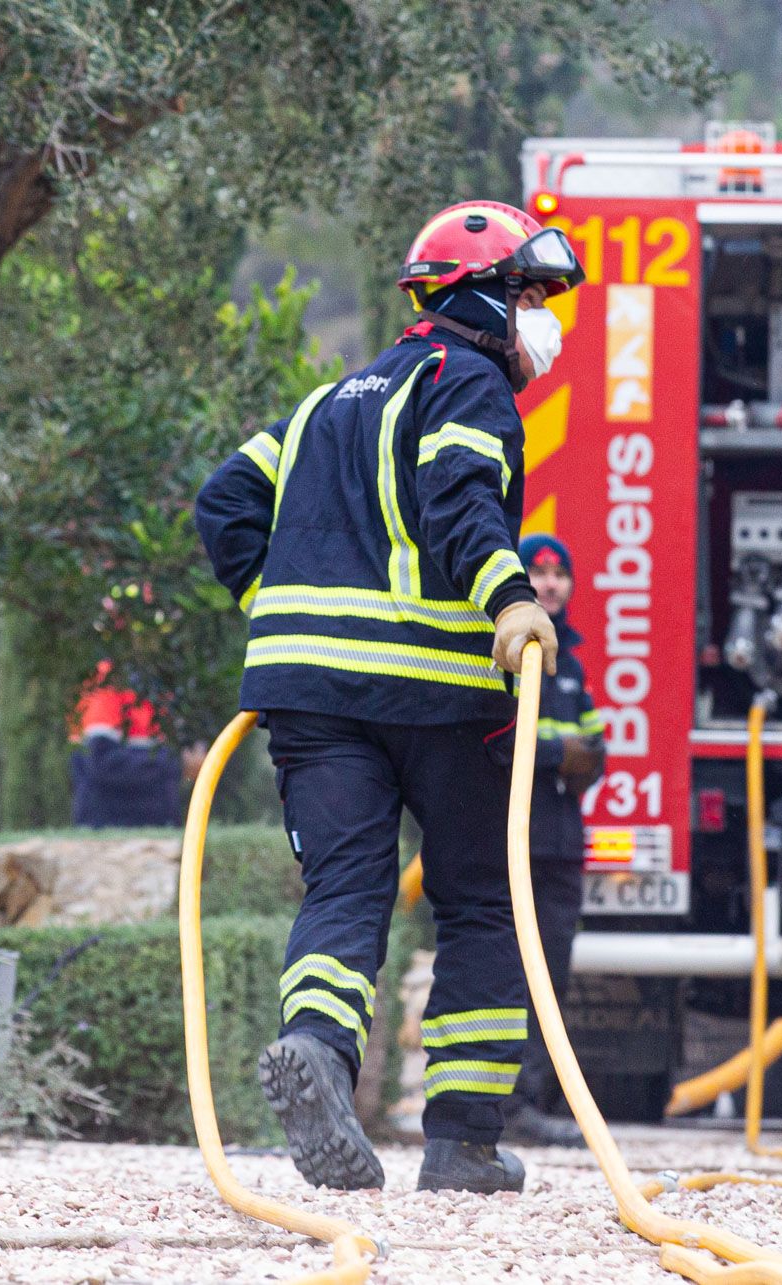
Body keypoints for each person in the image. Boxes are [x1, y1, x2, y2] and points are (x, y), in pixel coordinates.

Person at [194, 200, 583, 1194]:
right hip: (438, 696)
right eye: (534, 296)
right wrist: (509, 600)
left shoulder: (328, 401)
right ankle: (463, 1141)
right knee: (483, 901)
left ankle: (318, 1047)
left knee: (347, 887)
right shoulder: (473, 382)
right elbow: (459, 496)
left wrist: (279, 609)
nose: (545, 319)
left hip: (310, 696)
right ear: (483, 295)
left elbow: (225, 501)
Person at [501, 532, 604, 1147]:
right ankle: (506, 1103)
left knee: (552, 977)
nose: (548, 583)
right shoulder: (505, 654)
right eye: (536, 573)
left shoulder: (575, 663)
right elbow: (492, 742)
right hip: (514, 838)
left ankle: (532, 1100)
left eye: (558, 573)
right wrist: (557, 755)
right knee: (514, 975)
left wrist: (577, 757)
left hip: (561, 843)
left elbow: (596, 750)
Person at [68, 659, 182, 828]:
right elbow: (101, 763)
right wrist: (177, 763)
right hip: (110, 831)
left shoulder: (159, 679)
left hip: (155, 828)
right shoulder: (110, 681)